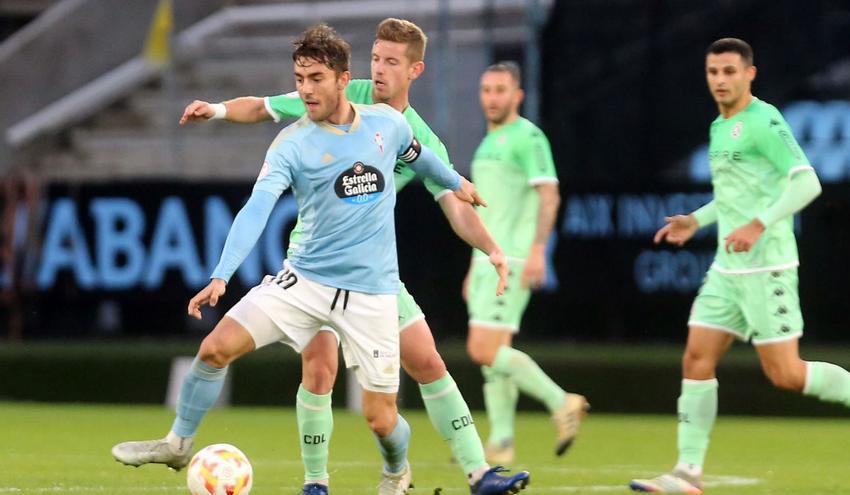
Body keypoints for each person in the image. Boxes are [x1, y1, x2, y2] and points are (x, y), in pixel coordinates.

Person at [112, 23, 493, 495]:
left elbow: (423, 158)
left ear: (340, 79)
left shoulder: (388, 125)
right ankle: (180, 444)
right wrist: (220, 275)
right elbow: (256, 209)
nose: (305, 89)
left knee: (381, 418)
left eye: (315, 79)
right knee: (217, 348)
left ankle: (398, 468)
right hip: (305, 280)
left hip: (372, 292)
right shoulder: (292, 142)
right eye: (300, 79)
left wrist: (459, 184)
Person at [629, 38, 850, 494]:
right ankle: (686, 473)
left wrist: (759, 225)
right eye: (713, 72)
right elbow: (731, 197)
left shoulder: (763, 121)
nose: (720, 80)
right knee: (697, 359)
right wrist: (696, 220)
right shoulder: (718, 127)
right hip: (727, 270)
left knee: (785, 374)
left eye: (729, 71)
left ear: (750, 74)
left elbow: (808, 183)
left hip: (768, 268)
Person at [463, 61, 588, 465]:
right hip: (487, 260)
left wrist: (538, 250)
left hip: (512, 258)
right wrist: (472, 264)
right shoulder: (487, 143)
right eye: (486, 90)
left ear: (518, 95)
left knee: (482, 349)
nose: (492, 98)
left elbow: (549, 196)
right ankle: (500, 442)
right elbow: (485, 212)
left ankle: (562, 401)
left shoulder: (527, 137)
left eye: (500, 90)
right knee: (494, 356)